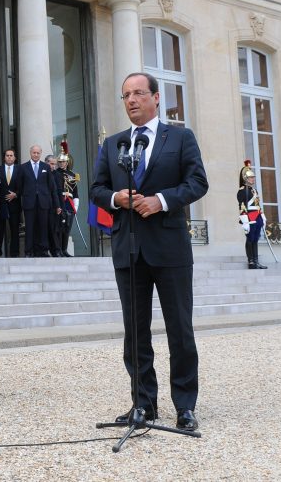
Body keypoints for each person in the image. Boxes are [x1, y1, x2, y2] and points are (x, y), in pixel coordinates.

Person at [90, 71, 209, 432]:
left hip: (170, 248)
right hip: (128, 249)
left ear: (156, 98)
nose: (131, 100)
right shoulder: (113, 144)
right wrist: (115, 198)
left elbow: (197, 182)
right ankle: (143, 404)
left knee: (179, 330)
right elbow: (96, 188)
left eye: (139, 93)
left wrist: (160, 200)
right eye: (125, 95)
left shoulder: (181, 137)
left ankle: (185, 406)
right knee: (135, 332)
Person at [20, 144, 55, 256]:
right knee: (29, 227)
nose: (36, 155)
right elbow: (20, 185)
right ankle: (29, 251)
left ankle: (43, 250)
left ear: (40, 153)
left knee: (43, 227)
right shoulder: (23, 167)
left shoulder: (46, 167)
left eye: (38, 153)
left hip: (43, 202)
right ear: (30, 153)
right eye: (34, 153)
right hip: (29, 202)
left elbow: (50, 186)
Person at [237, 160, 267, 270]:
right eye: (251, 177)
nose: (253, 179)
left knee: (255, 239)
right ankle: (251, 261)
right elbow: (242, 206)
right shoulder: (242, 191)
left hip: (257, 216)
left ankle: (256, 260)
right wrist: (245, 221)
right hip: (249, 217)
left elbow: (258, 204)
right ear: (245, 178)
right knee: (250, 239)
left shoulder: (254, 190)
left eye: (253, 177)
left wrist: (262, 216)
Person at [54, 142, 80, 257]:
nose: (61, 164)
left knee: (67, 227)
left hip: (69, 202)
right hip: (60, 201)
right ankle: (58, 249)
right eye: (59, 162)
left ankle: (64, 249)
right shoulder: (54, 174)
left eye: (63, 161)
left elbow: (75, 192)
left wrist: (76, 206)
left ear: (67, 162)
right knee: (59, 227)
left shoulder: (72, 175)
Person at [0, 149, 22, 257]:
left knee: (15, 230)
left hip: (15, 204)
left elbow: (24, 186)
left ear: (14, 157)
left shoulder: (20, 169)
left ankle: (15, 253)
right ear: (4, 157)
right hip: (1, 204)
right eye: (7, 155)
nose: (9, 157)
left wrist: (16, 194)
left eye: (11, 155)